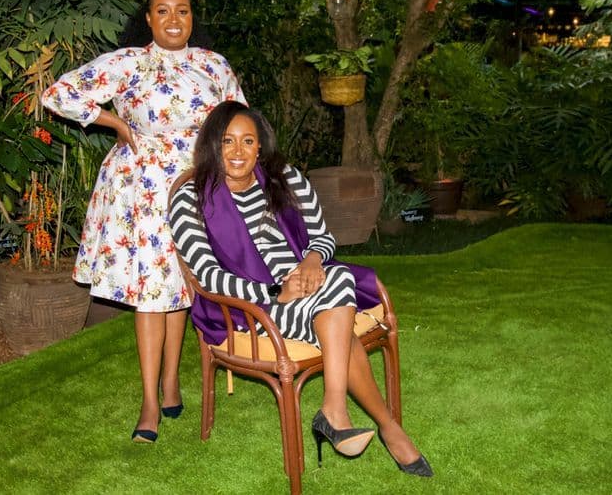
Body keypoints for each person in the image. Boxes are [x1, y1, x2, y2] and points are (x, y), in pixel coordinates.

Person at [169, 101, 432, 476]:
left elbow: (323, 239)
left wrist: (310, 261)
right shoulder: (191, 197)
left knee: (334, 276)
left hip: (310, 287)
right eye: (228, 142)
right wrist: (275, 291)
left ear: (260, 146)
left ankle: (335, 410)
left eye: (248, 141)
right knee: (340, 292)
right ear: (212, 145)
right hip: (249, 308)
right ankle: (386, 428)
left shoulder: (285, 178)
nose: (238, 152)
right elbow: (207, 276)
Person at [41, 0, 246, 444]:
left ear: (193, 17)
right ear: (149, 19)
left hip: (198, 187)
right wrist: (112, 121)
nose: (174, 20)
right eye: (163, 11)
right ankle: (150, 402)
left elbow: (240, 123)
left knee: (180, 288)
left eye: (183, 10)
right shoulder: (129, 61)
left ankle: (171, 382)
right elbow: (59, 93)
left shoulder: (215, 65)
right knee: (153, 293)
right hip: (144, 189)